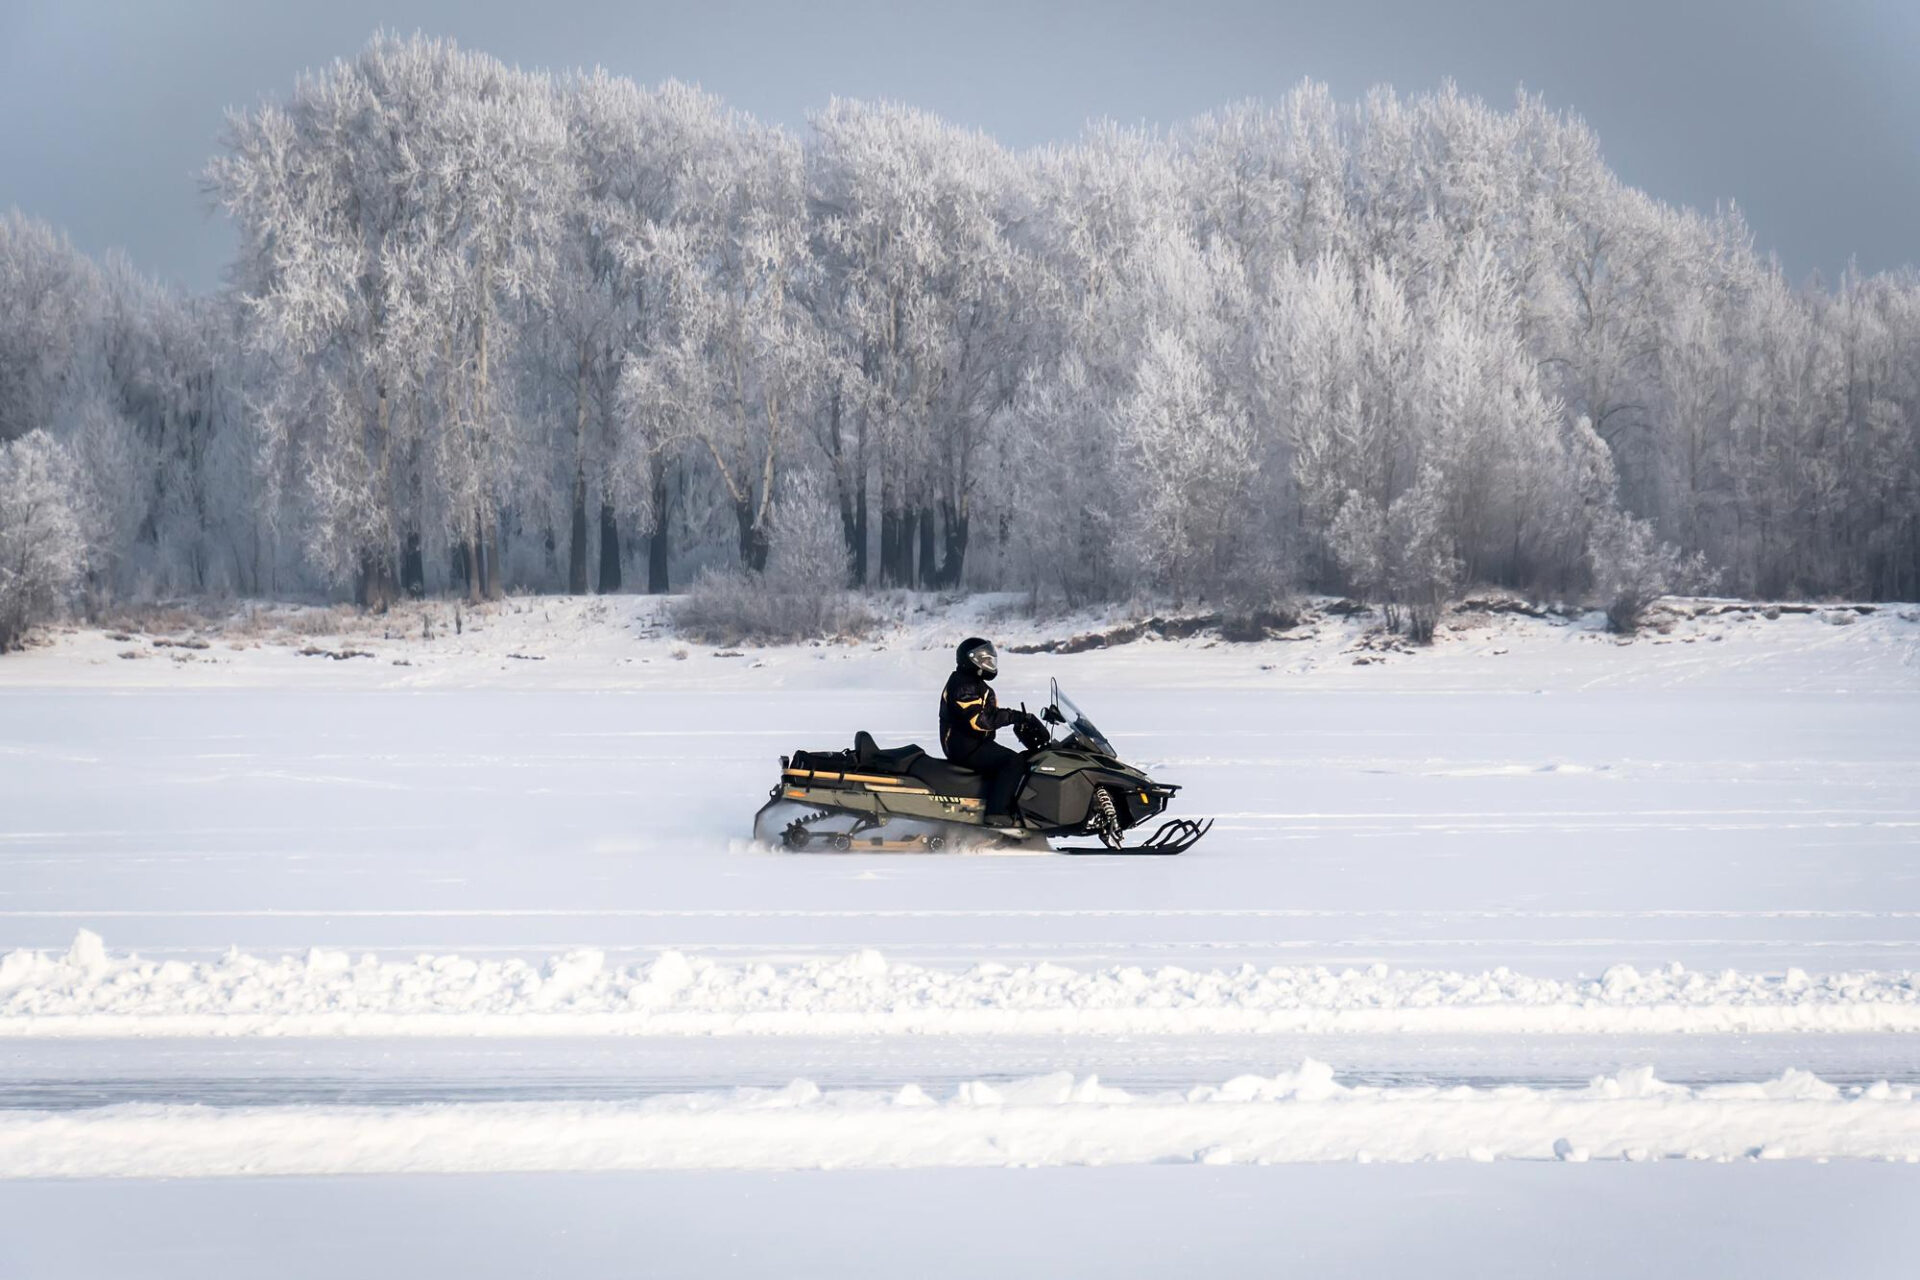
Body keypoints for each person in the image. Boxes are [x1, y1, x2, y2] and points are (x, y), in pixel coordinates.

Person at [940, 637, 1045, 822]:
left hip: (972, 743)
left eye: (991, 659)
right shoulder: (964, 685)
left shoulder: (971, 682)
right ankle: (997, 815)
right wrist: (1013, 717)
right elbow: (978, 720)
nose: (989, 663)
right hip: (964, 746)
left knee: (1022, 759)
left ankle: (1013, 809)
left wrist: (1019, 719)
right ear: (972, 659)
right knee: (1012, 762)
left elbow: (987, 714)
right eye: (985, 659)